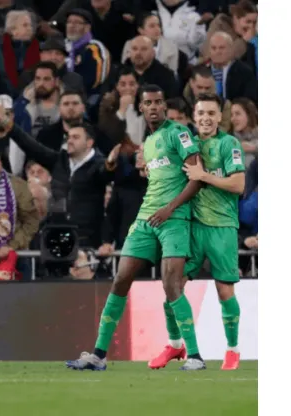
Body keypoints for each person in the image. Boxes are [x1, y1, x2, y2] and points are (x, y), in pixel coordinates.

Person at [66, 84, 206, 371]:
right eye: (148, 103)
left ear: (164, 105)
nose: (154, 107)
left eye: (158, 102)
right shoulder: (149, 141)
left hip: (175, 218)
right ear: (141, 108)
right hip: (146, 218)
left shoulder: (179, 133)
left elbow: (198, 177)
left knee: (171, 284)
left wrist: (171, 208)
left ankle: (194, 355)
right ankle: (99, 355)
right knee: (120, 279)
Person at [149, 93, 246, 371]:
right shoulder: (186, 144)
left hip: (222, 228)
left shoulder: (229, 144)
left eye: (211, 113)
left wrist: (204, 176)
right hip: (190, 226)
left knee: (224, 290)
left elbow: (238, 185)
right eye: (201, 113)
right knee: (172, 288)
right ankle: (176, 345)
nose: (205, 118)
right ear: (194, 116)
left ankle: (232, 350)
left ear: (219, 117)